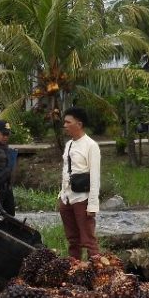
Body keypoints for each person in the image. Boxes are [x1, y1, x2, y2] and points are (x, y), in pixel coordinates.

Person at [58, 106, 101, 260]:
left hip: (82, 197)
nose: (65, 126)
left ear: (79, 124)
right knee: (72, 240)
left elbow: (95, 177)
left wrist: (93, 205)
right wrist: (62, 195)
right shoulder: (69, 144)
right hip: (66, 197)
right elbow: (65, 170)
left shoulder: (91, 146)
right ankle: (74, 269)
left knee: (88, 240)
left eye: (68, 122)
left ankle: (98, 273)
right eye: (64, 122)